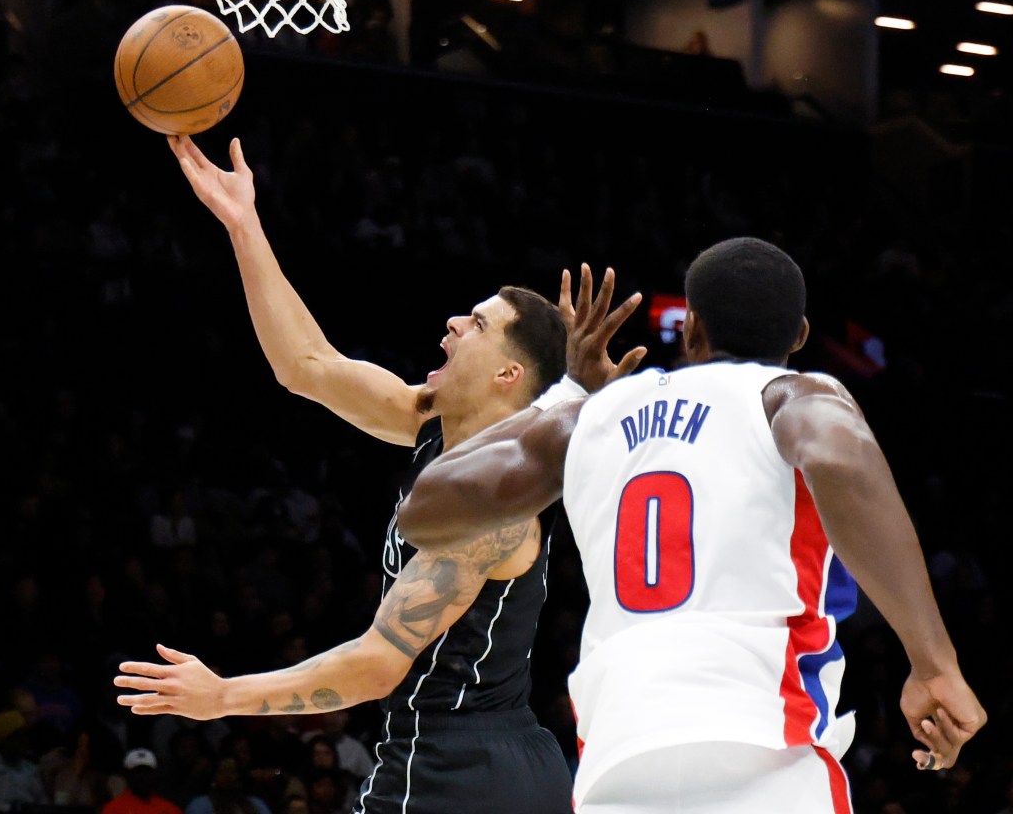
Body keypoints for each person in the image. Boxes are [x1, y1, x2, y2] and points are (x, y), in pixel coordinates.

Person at [112, 135, 643, 814]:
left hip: (453, 765)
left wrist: (223, 697)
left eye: (477, 324)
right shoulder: (432, 424)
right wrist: (241, 221)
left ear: (509, 374)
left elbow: (377, 663)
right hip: (494, 764)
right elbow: (306, 365)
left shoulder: (491, 505)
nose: (452, 323)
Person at [395, 238, 988, 813]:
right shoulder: (791, 396)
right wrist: (933, 662)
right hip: (766, 744)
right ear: (800, 335)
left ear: (691, 328)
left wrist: (569, 394)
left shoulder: (591, 417)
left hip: (616, 758)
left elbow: (422, 511)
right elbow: (836, 455)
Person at [102, 748, 182, 814]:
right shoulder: (114, 809)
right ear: (127, 775)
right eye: (138, 772)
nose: (143, 777)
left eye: (147, 772)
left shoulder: (169, 809)